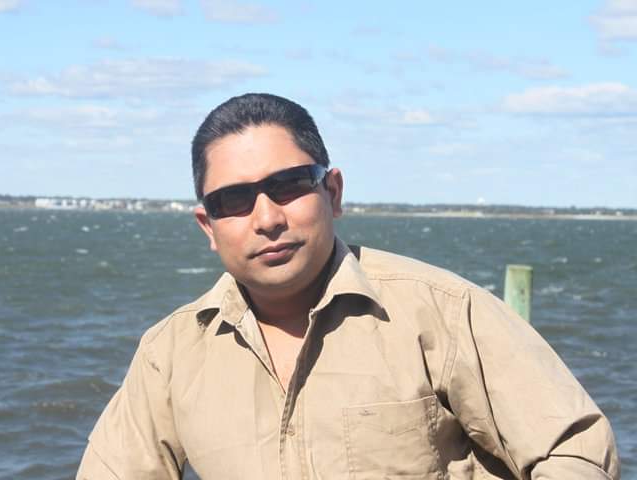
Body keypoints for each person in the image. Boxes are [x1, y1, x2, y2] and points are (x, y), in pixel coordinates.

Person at [77, 93, 620, 479]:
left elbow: (573, 450)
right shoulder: (171, 354)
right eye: (234, 200)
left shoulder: (442, 312)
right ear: (208, 226)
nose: (267, 219)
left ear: (332, 192)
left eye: (289, 185)